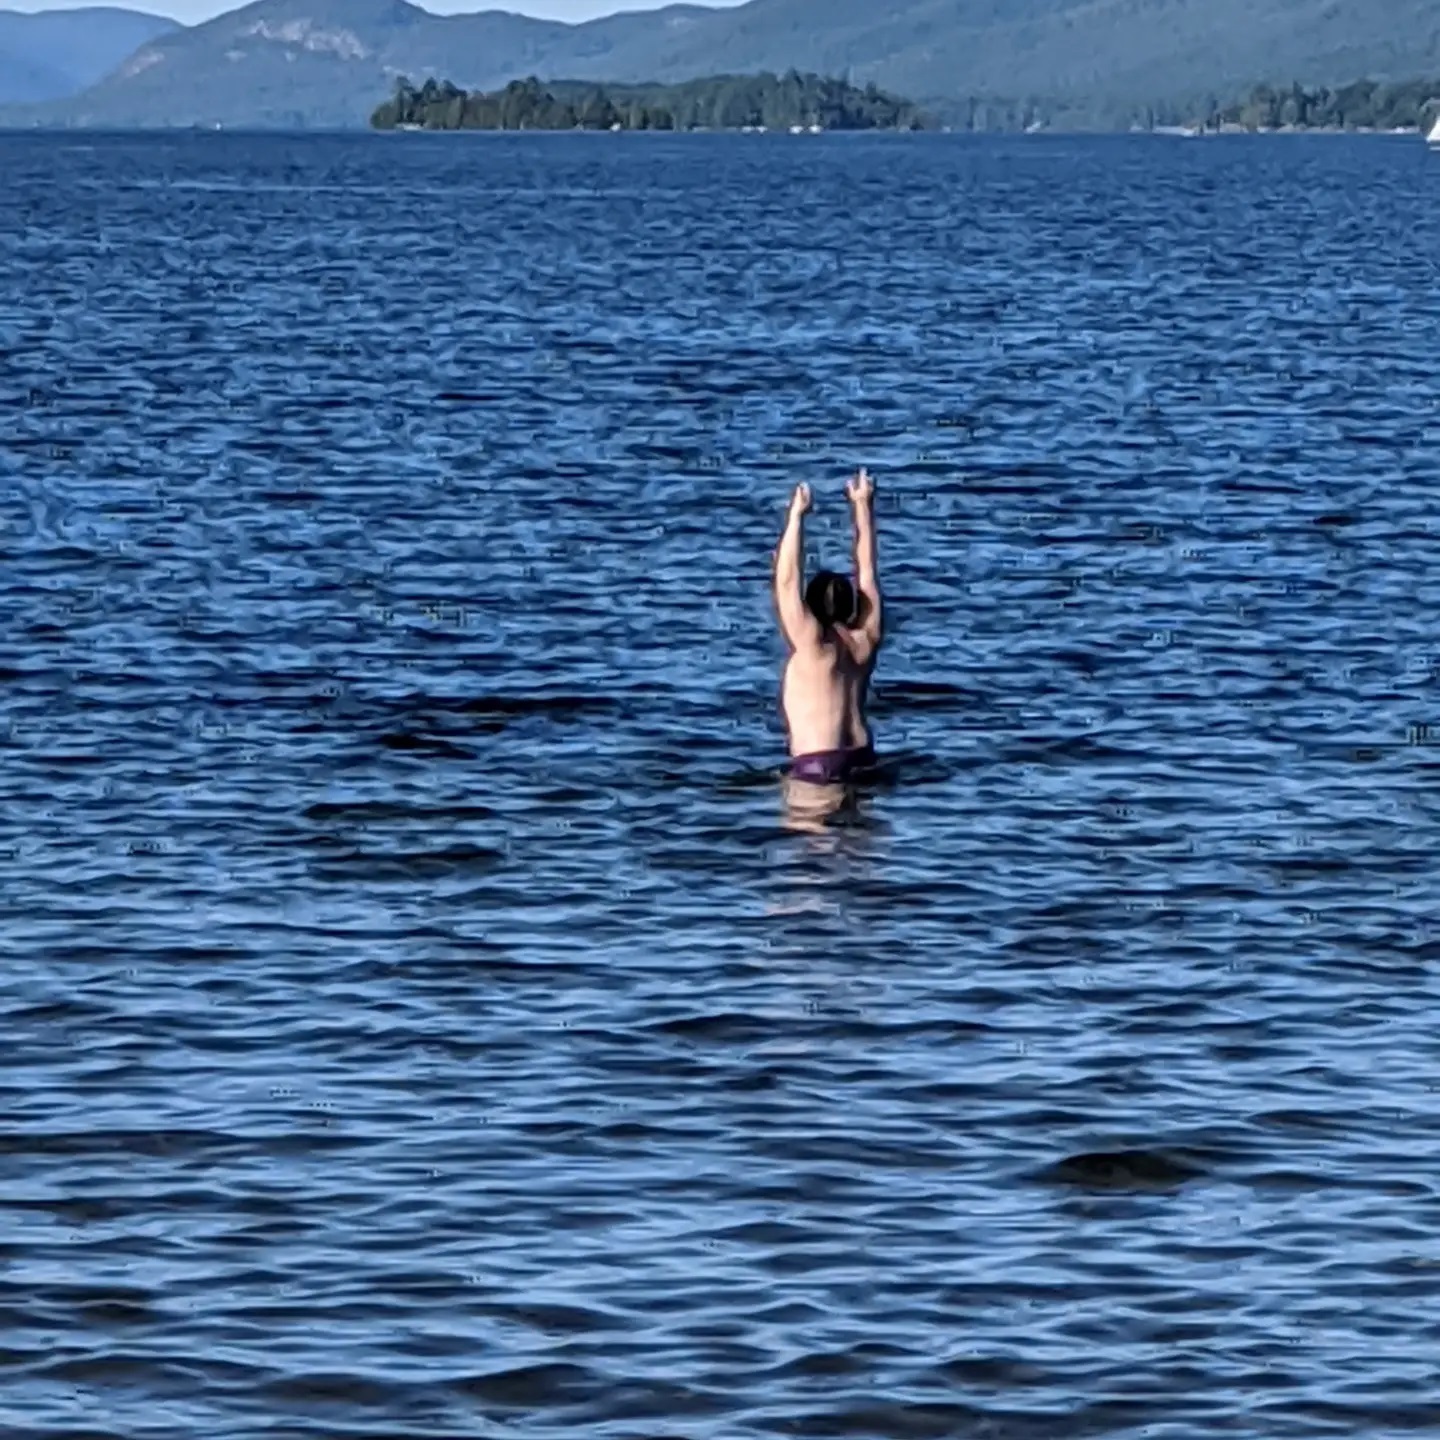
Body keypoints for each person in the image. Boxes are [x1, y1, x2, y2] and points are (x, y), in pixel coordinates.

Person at [773, 468, 883, 786]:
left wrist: (796, 517)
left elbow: (787, 582)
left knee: (808, 821)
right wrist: (862, 505)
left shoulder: (813, 643)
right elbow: (868, 575)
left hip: (819, 764)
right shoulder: (865, 639)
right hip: (863, 758)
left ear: (811, 606)